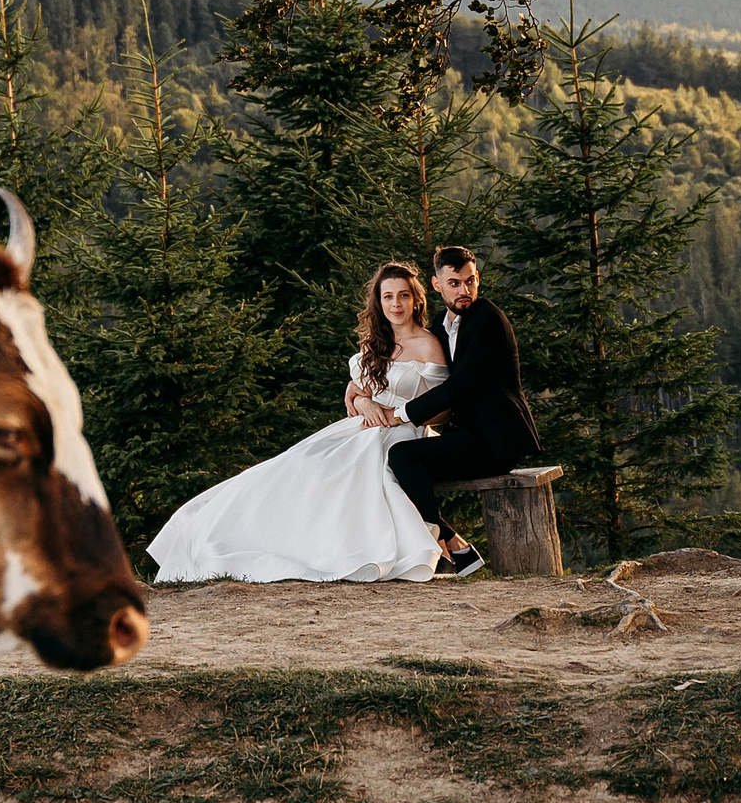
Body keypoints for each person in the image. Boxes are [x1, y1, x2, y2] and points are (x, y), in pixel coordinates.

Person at [145, 262, 466, 583]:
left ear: (416, 300)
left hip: (404, 433)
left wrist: (399, 413)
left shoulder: (427, 345)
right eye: (387, 297)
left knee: (352, 465)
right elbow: (359, 390)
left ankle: (424, 546)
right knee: (299, 464)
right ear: (378, 303)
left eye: (403, 296)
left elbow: (445, 410)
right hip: (366, 428)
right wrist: (363, 401)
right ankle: (229, 534)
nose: (395, 305)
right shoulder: (375, 344)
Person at [366, 246, 543, 579]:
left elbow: (457, 387)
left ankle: (441, 549)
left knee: (404, 457)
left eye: (470, 281)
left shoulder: (487, 319)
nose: (465, 291)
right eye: (455, 283)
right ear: (437, 285)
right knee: (389, 464)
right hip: (466, 435)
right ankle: (453, 544)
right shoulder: (441, 323)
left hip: (496, 441)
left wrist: (399, 415)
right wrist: (358, 392)